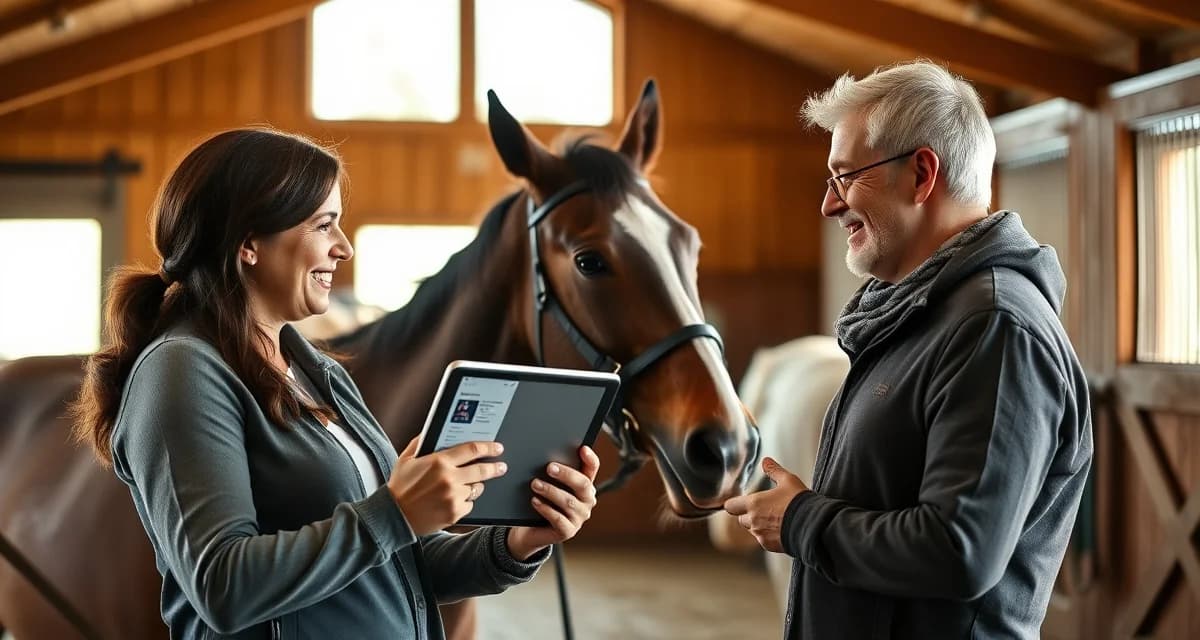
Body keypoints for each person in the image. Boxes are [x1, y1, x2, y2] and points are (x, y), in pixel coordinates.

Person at [70, 128, 599, 639]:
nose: (343, 247)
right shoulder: (182, 372)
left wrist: (518, 542)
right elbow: (222, 587)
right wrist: (393, 513)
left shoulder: (319, 373)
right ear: (249, 241)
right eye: (324, 226)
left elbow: (400, 566)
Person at [723, 61, 1092, 639]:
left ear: (921, 174)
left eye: (845, 177)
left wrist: (801, 522)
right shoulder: (920, 315)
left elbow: (960, 550)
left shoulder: (994, 329)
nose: (829, 205)